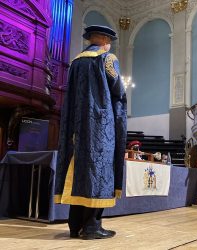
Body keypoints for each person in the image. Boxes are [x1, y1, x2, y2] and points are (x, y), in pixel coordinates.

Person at [54, 25, 127, 240]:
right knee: (99, 173)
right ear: (104, 39)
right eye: (109, 40)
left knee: (78, 174)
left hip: (77, 126)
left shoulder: (75, 62)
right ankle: (92, 227)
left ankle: (74, 226)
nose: (109, 44)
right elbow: (118, 90)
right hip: (99, 126)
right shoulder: (106, 59)